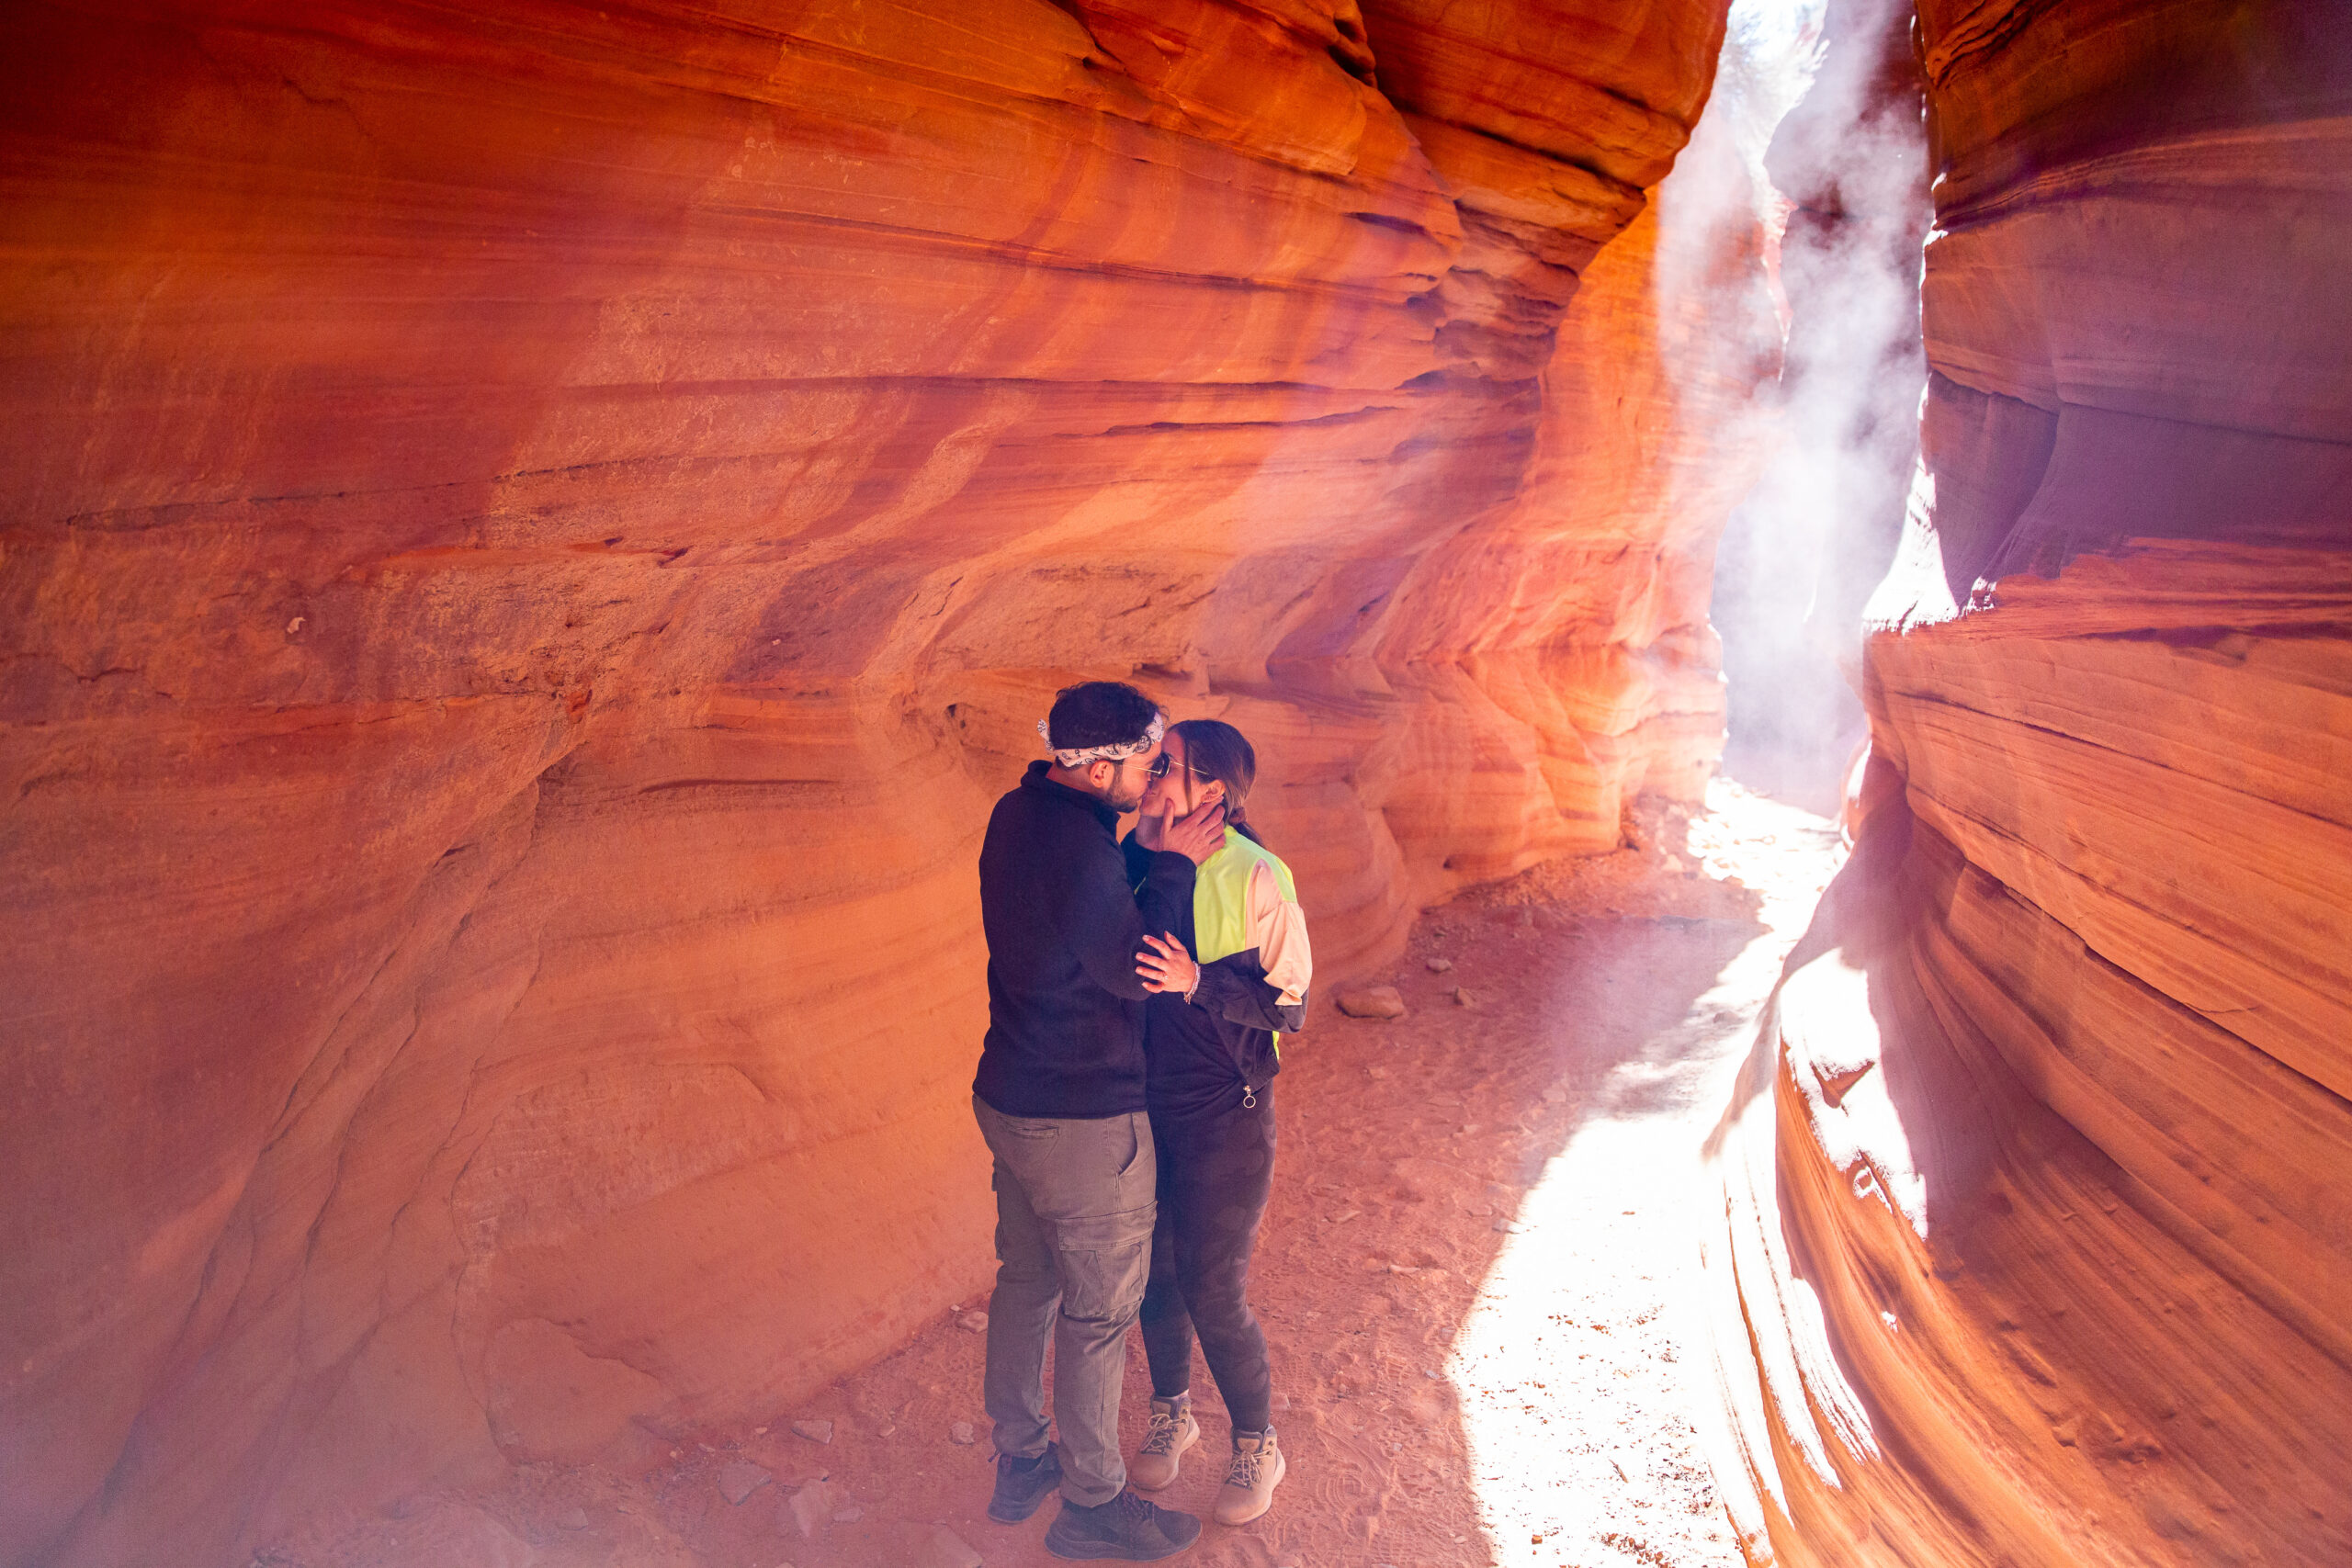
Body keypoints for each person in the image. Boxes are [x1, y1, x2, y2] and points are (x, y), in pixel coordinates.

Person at [972, 680, 1227, 1562]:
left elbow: (1077, 910)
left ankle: (1021, 1460)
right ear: (1108, 764)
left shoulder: (1019, 813)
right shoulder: (1083, 849)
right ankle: (1092, 1503)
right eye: (1152, 764)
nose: (1158, 777)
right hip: (1083, 1118)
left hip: (1011, 1095)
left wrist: (1136, 844)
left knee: (1028, 1278)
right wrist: (1176, 862)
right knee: (1099, 1316)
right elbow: (1138, 967)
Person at [1122, 718, 1310, 1528]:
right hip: (1144, 1110)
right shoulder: (1136, 858)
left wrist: (1198, 980)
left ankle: (1258, 1443)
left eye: (1170, 765)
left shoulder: (1259, 876)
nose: (1155, 771)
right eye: (1157, 761)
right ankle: (1174, 1413)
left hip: (1228, 1121)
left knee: (1212, 1287)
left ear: (1215, 793)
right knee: (1152, 1279)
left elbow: (1289, 1006)